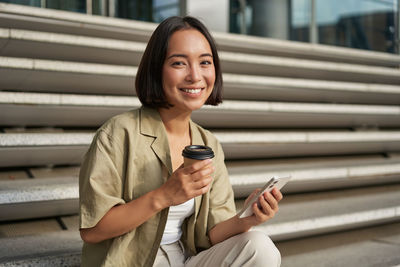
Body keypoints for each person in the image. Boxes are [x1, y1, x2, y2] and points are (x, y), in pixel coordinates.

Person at [79, 16, 283, 267]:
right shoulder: (118, 133)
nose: (195, 76)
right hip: (132, 261)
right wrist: (164, 195)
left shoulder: (208, 143)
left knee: (259, 247)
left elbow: (212, 233)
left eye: (205, 62)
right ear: (156, 69)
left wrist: (249, 218)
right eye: (179, 63)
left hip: (182, 259)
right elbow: (93, 230)